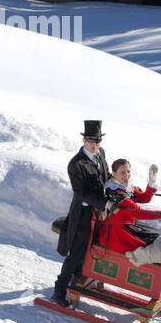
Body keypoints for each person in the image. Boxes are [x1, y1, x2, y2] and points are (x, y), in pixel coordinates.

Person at [51, 120, 108, 307]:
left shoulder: (101, 154)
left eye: (98, 141)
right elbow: (80, 193)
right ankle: (59, 290)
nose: (94, 145)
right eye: (91, 141)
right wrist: (104, 203)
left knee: (90, 249)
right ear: (84, 140)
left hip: (98, 212)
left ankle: (78, 280)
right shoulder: (76, 164)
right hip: (83, 213)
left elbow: (105, 179)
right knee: (76, 251)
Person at [99, 158, 161, 266]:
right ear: (114, 173)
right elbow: (138, 212)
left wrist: (151, 182)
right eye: (123, 172)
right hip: (120, 232)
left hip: (131, 225)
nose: (126, 175)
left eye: (128, 171)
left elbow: (144, 198)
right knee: (151, 242)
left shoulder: (126, 186)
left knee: (156, 236)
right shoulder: (116, 191)